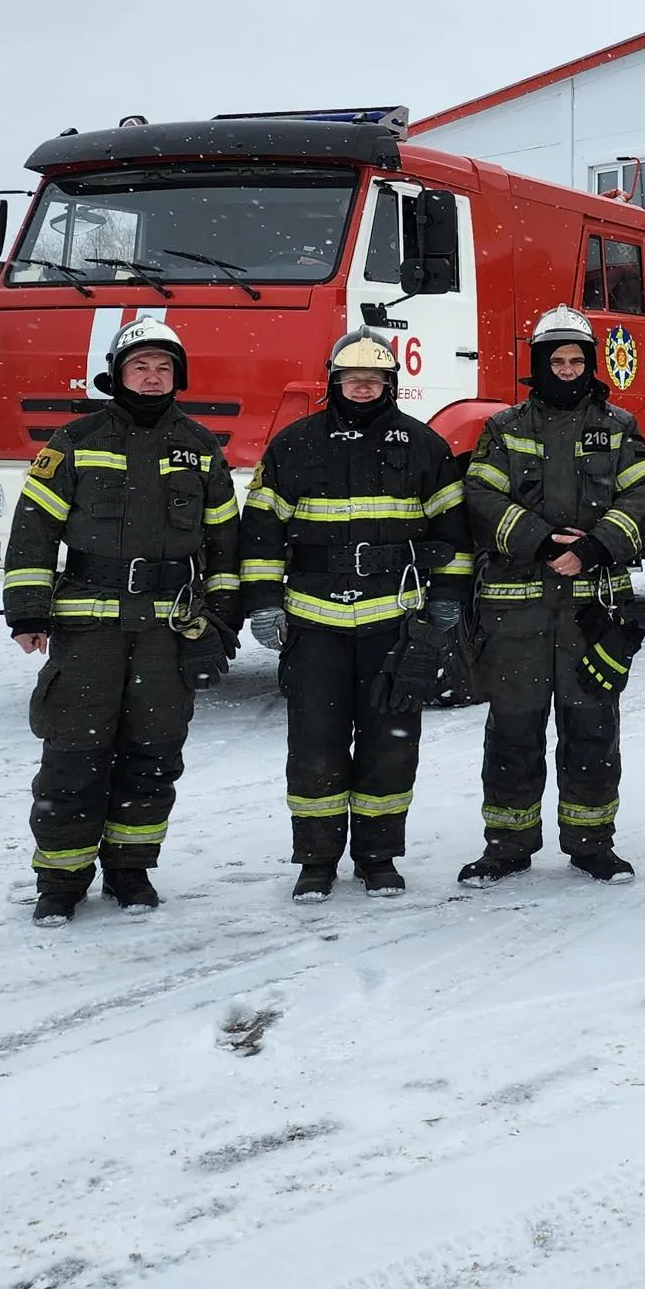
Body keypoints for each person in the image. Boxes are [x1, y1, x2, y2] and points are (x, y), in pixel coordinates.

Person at [3, 317, 241, 927]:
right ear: (117, 374)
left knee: (153, 753)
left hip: (168, 631)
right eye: (140, 367)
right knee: (72, 754)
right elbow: (34, 528)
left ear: (178, 377)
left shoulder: (200, 446)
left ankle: (130, 870)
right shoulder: (75, 440)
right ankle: (60, 880)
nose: (152, 377)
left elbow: (224, 544)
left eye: (164, 368)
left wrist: (221, 619)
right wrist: (27, 610)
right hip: (89, 629)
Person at [239, 330, 474, 901]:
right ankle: (316, 860)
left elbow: (454, 531)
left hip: (394, 623)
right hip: (313, 624)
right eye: (352, 379)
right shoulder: (295, 444)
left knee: (390, 746)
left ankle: (378, 857)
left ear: (390, 384)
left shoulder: (423, 446)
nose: (362, 388)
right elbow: (262, 531)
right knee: (314, 748)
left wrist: (448, 596)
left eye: (373, 380)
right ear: (333, 382)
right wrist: (264, 604)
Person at [459, 305, 645, 886]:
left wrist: (595, 548)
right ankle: (508, 845)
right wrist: (541, 541)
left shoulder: (619, 427)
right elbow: (481, 496)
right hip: (517, 609)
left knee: (592, 727)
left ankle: (592, 844)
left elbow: (644, 495)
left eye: (576, 360)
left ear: (590, 364)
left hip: (593, 609)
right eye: (557, 360)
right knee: (513, 728)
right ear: (539, 364)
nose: (567, 369)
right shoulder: (504, 428)